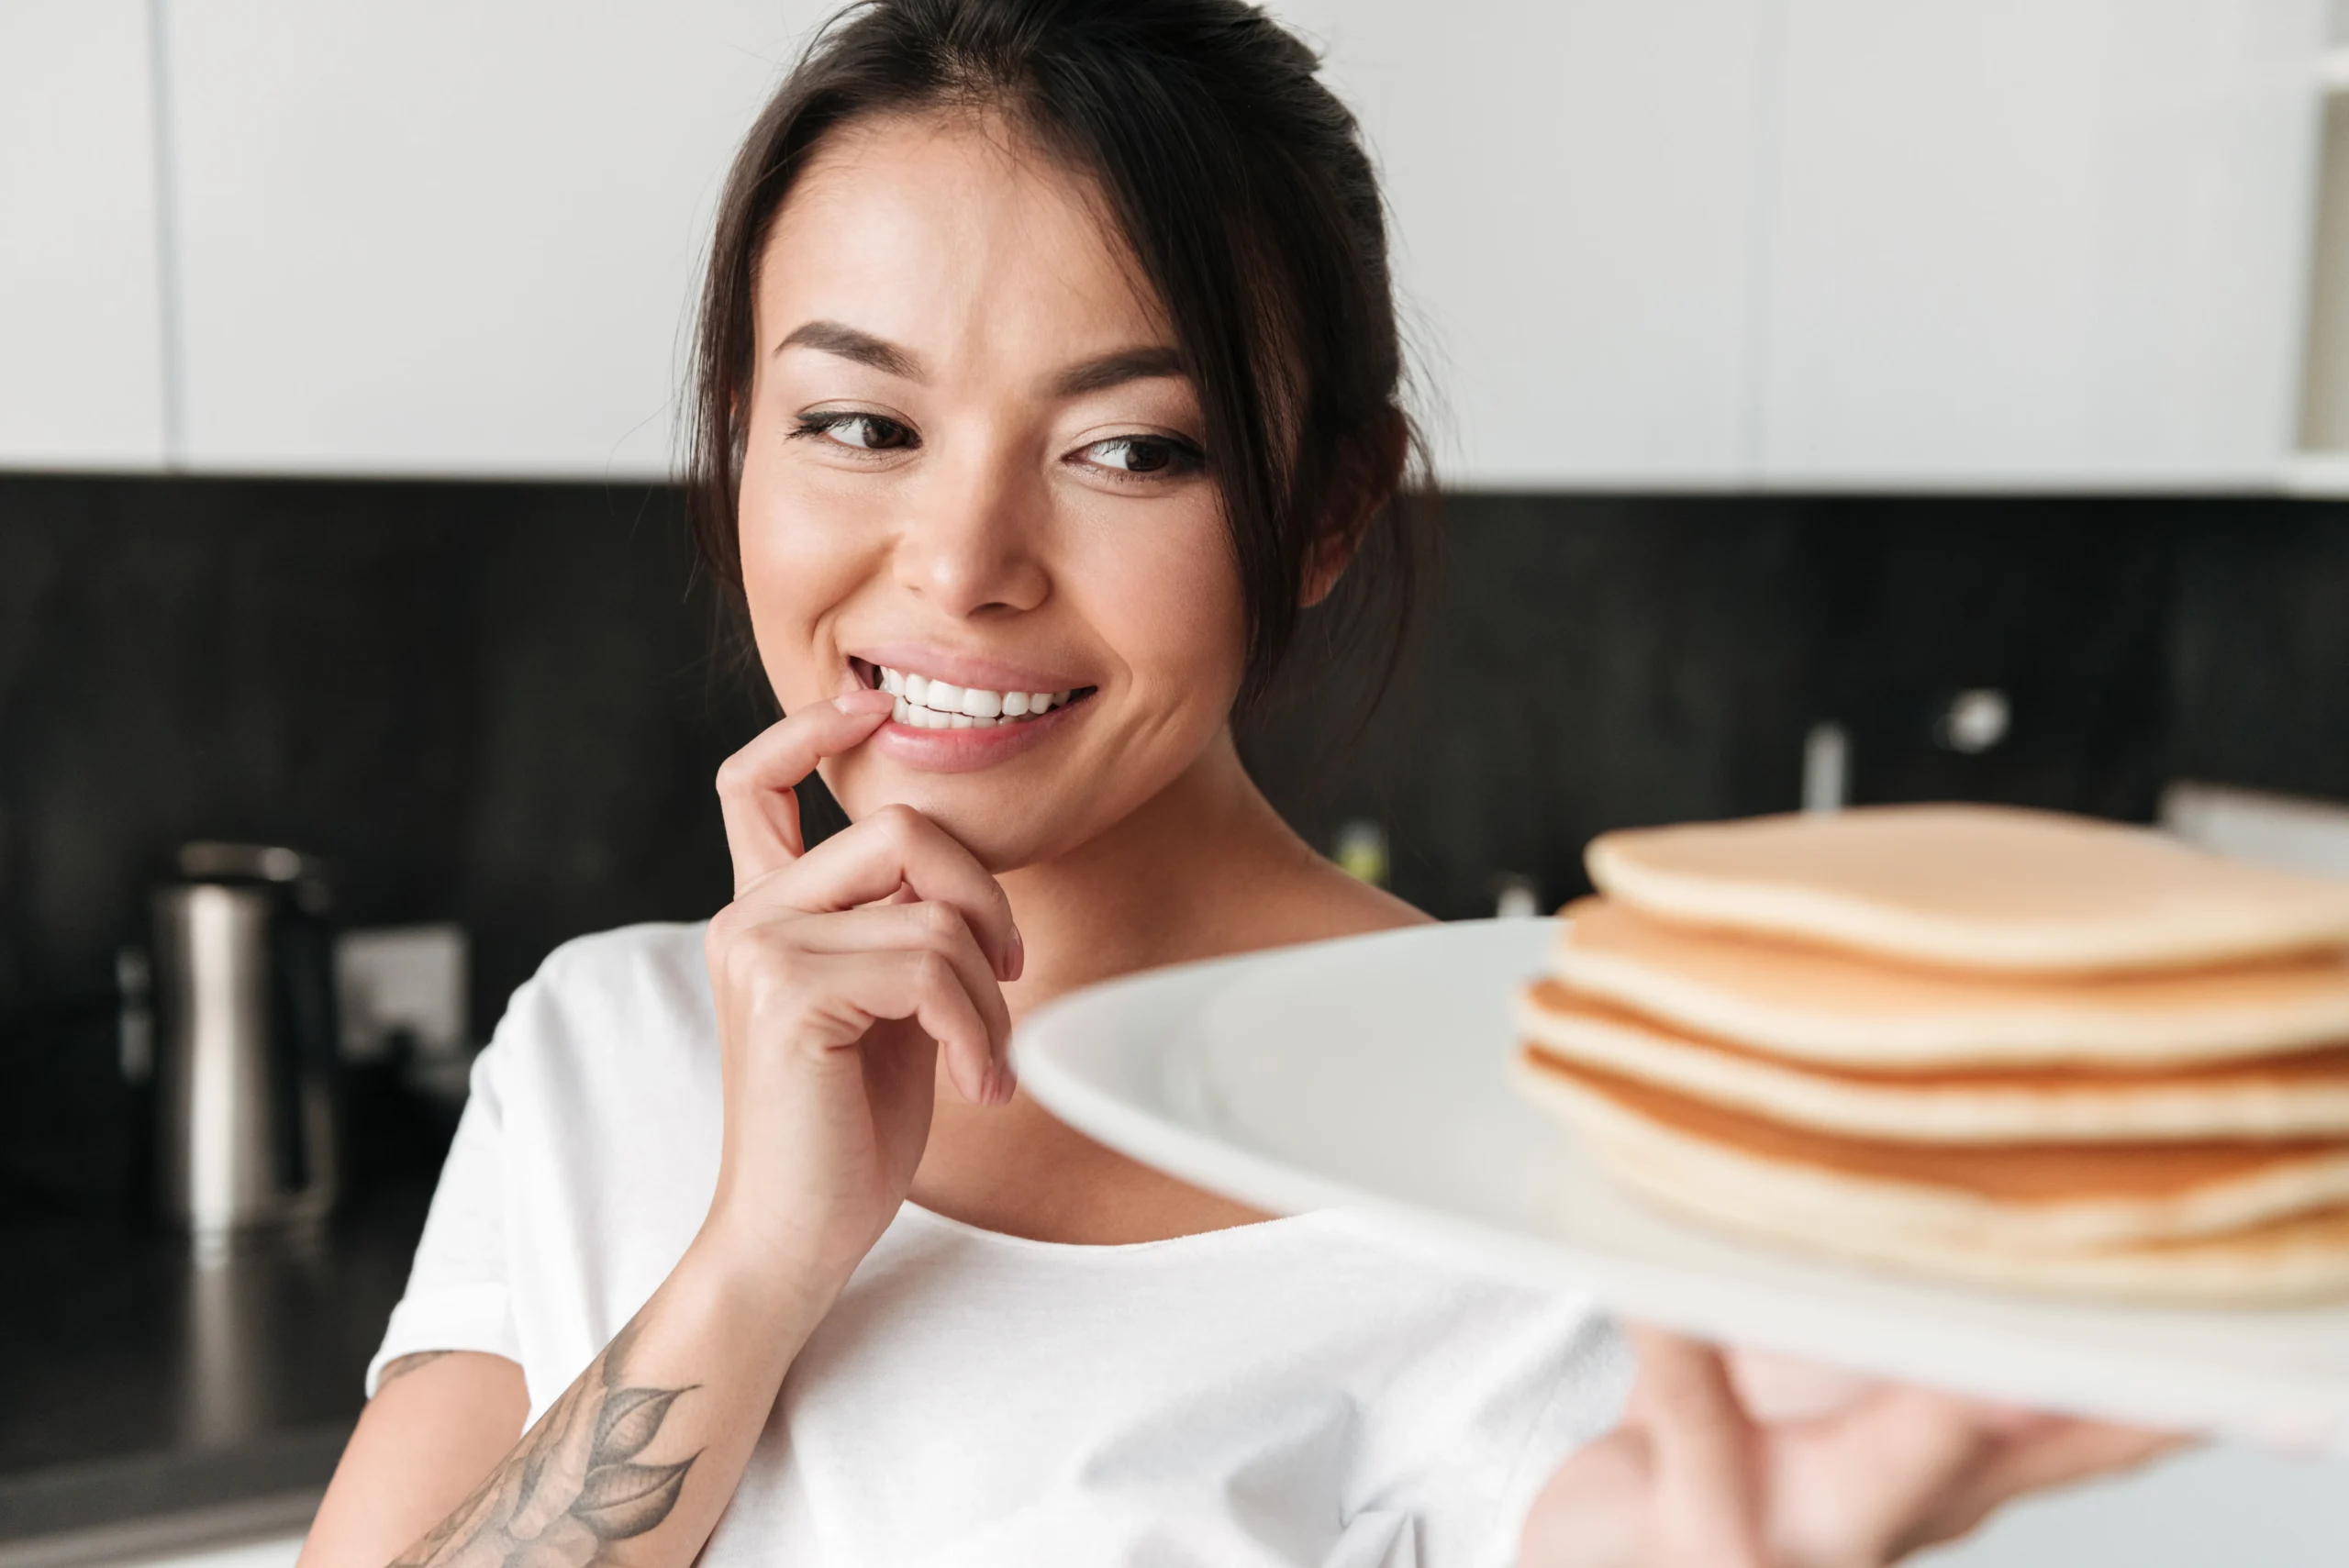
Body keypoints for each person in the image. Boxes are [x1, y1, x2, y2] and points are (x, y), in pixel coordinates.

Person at [298, 3, 2170, 1563]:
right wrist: (757, 1259)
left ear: (1325, 515)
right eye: (858, 422)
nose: (959, 563)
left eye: (1127, 448)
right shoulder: (601, 1046)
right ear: (740, 440)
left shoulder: (1510, 1165)